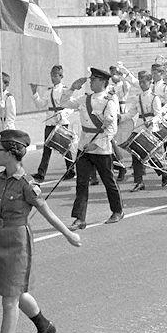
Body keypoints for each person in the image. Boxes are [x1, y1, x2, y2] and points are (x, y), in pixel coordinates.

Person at [0, 130, 81, 333]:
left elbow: (47, 212)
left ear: (12, 153)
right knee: (17, 293)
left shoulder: (26, 185)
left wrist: (68, 234)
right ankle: (43, 325)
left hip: (18, 243)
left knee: (9, 299)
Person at [61, 68, 124, 230]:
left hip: (101, 149)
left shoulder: (109, 101)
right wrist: (72, 88)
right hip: (84, 147)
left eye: (94, 79)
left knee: (108, 181)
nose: (90, 81)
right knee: (81, 183)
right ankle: (79, 218)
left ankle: (117, 211)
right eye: (91, 79)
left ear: (103, 81)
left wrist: (96, 144)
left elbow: (112, 129)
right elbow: (63, 103)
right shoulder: (84, 99)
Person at [123, 72, 167, 191]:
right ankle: (139, 182)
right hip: (139, 126)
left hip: (150, 127)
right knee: (135, 152)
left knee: (147, 154)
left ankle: (162, 171)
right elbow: (131, 113)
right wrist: (120, 117)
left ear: (150, 82)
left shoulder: (155, 97)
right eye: (140, 81)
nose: (142, 84)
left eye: (144, 82)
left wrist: (152, 121)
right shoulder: (137, 98)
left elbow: (158, 115)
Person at [30, 65, 75, 182]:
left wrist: (63, 114)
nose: (53, 77)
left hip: (61, 122)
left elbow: (71, 106)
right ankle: (41, 173)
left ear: (61, 76)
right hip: (50, 122)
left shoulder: (65, 90)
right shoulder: (48, 90)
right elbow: (40, 104)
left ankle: (71, 170)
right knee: (47, 148)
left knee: (65, 147)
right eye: (52, 75)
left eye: (55, 75)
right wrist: (35, 93)